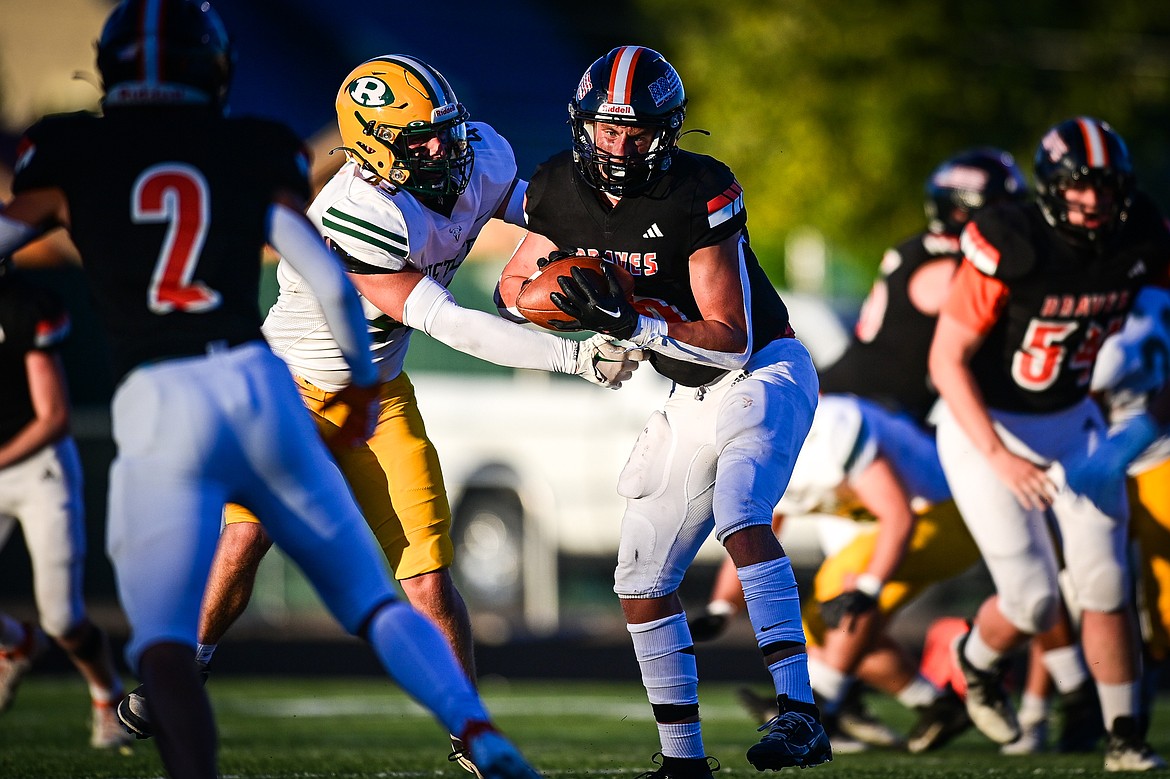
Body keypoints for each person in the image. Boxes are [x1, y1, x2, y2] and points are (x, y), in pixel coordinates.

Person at [0, 2, 542, 777]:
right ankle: (474, 729)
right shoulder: (257, 151)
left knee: (182, 607)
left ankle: (188, 712)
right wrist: (359, 382)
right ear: (216, 71)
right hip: (264, 381)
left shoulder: (72, 149)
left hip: (168, 394)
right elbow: (322, 276)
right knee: (356, 588)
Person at [115, 52, 639, 775]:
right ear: (370, 148)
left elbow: (544, 214)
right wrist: (576, 359)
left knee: (428, 575)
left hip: (378, 395)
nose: (440, 149)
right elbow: (447, 323)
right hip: (289, 393)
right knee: (245, 539)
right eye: (416, 139)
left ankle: (473, 733)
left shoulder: (481, 152)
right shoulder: (355, 212)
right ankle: (181, 669)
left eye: (443, 131)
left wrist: (622, 246)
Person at [497, 45, 830, 777]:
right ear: (584, 125)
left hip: (763, 371)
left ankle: (801, 711)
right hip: (687, 388)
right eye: (608, 129)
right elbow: (510, 288)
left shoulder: (697, 190)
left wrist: (627, 326)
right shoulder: (554, 186)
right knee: (640, 579)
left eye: (638, 131)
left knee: (742, 509)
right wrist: (551, 300)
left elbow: (730, 337)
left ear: (667, 132)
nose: (621, 145)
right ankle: (684, 761)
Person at [690, 149, 1030, 753]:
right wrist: (720, 606)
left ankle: (820, 706)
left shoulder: (829, 421)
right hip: (884, 436)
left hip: (911, 481)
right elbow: (758, 522)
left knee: (842, 598)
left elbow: (892, 513)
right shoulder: (943, 265)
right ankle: (922, 704)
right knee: (831, 614)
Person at [928, 115, 1170, 772]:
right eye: (1080, 186)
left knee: (1105, 579)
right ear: (1051, 188)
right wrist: (1000, 455)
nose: (1095, 200)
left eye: (1107, 186)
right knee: (1033, 598)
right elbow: (945, 360)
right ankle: (975, 660)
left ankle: (1126, 736)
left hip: (1073, 420)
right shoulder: (1013, 239)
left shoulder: (1143, 232)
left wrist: (1142, 422)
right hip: (988, 424)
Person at [0, 258, 133, 750]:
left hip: (38, 469)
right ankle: (16, 641)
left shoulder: (23, 306)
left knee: (61, 617)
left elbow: (53, 416)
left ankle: (106, 697)